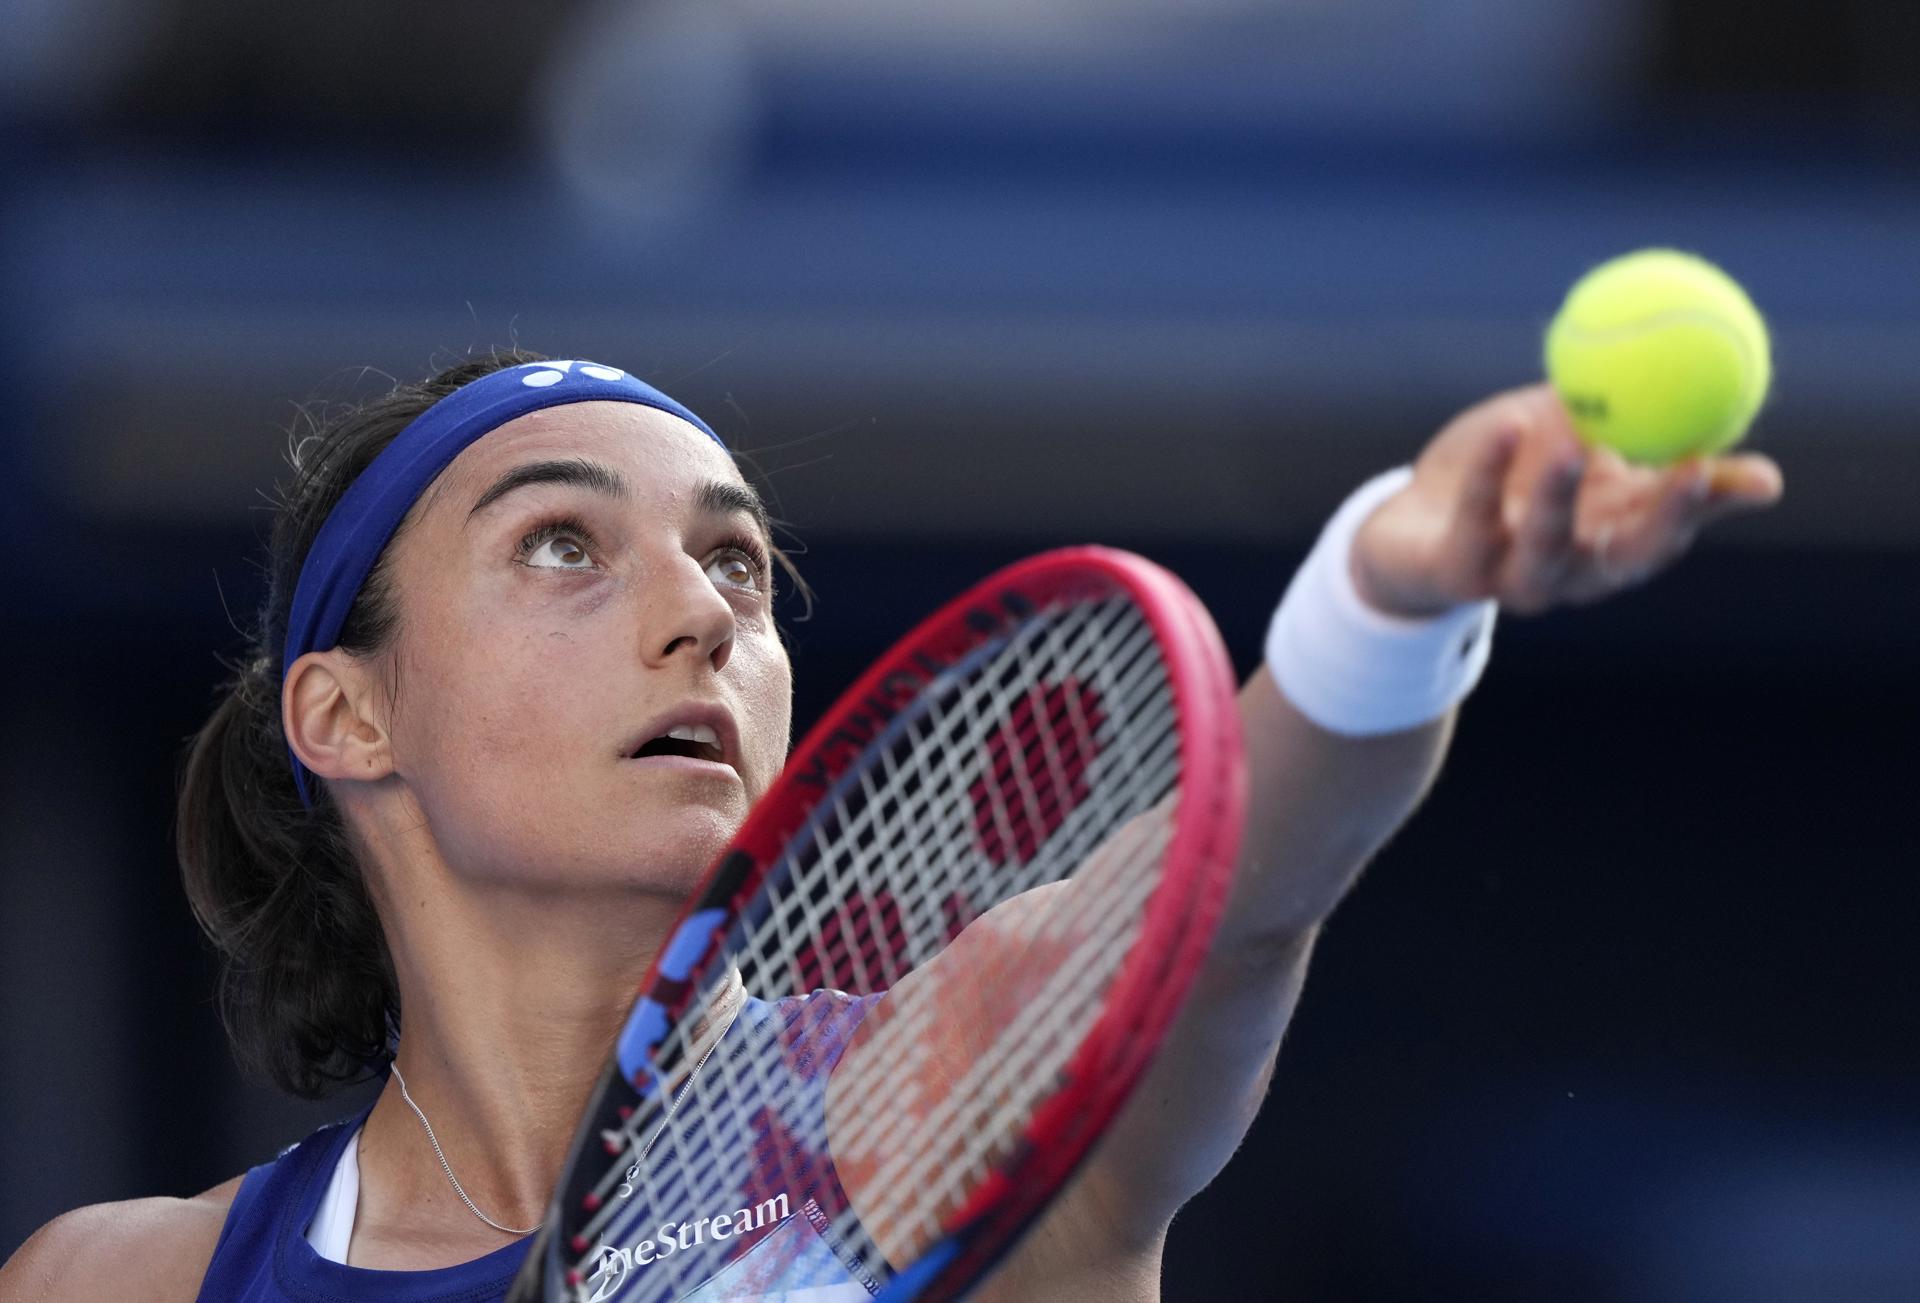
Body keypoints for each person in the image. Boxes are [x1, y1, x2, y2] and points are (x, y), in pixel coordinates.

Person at [0, 349, 1782, 1301]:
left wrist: (1394, 595)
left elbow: (1243, 881)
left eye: (739, 564)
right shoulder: (124, 1287)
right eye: (563, 545)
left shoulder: (933, 1101)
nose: (700, 613)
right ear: (346, 712)